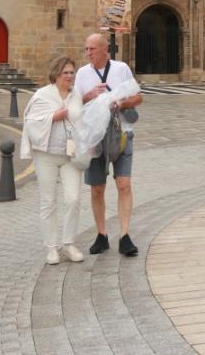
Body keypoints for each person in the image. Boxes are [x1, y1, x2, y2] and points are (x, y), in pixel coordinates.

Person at [75, 33, 143, 257]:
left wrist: (120, 102)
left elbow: (138, 98)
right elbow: (74, 103)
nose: (88, 53)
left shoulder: (121, 69)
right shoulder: (83, 74)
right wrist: (88, 97)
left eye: (92, 48)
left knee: (124, 184)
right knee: (97, 189)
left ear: (105, 49)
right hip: (95, 137)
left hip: (122, 133)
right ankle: (101, 235)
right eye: (86, 49)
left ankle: (124, 236)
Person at [21, 56, 85, 265]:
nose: (69, 76)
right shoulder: (42, 95)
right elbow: (31, 123)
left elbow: (82, 121)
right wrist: (54, 117)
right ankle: (51, 248)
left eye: (72, 72)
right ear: (56, 74)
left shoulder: (77, 96)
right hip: (46, 155)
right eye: (65, 72)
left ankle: (69, 243)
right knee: (48, 201)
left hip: (70, 155)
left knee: (73, 198)